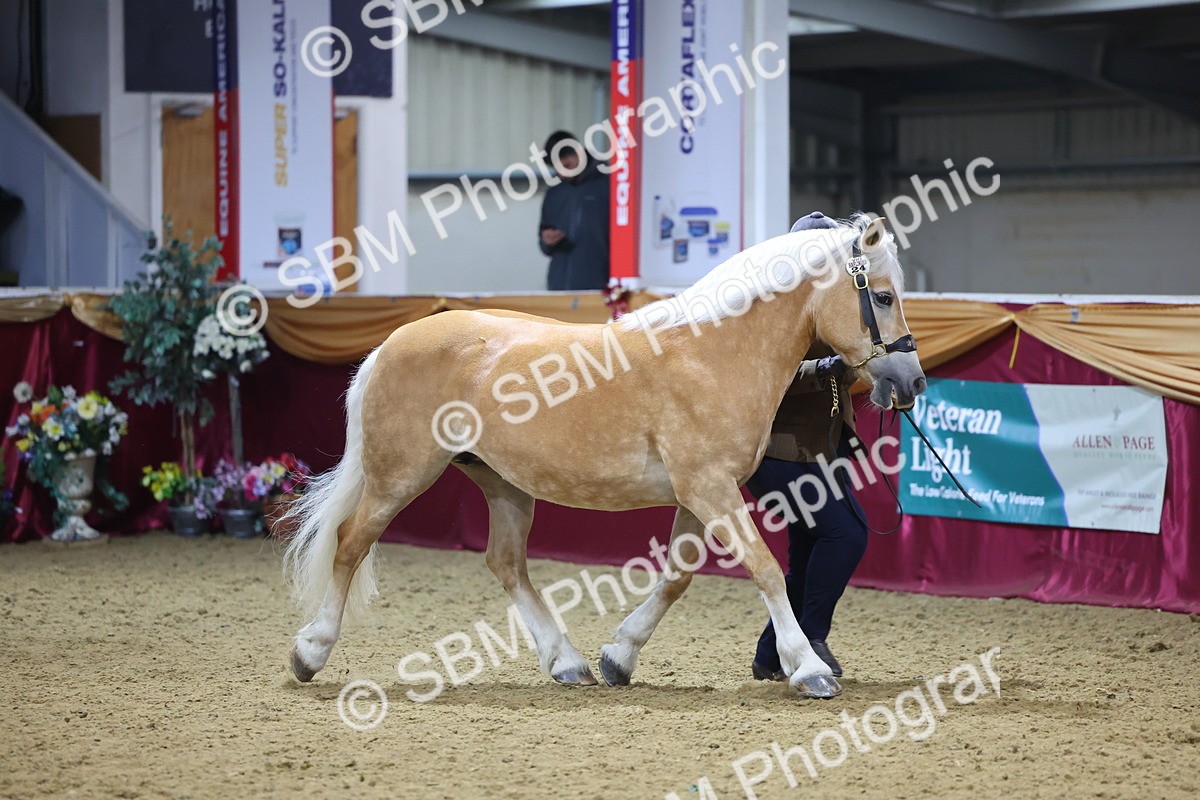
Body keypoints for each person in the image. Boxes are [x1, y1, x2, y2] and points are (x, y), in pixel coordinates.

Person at [748, 211, 868, 682]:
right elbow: (758, 376)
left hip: (820, 450)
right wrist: (823, 370)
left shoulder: (827, 307)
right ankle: (811, 639)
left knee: (810, 551)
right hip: (777, 452)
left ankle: (771, 654)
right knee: (845, 535)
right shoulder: (770, 309)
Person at [537, 130, 610, 291]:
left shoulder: (609, 184)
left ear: (579, 153)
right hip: (559, 288)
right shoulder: (554, 193)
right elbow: (542, 240)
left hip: (600, 288)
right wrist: (547, 241)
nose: (562, 174)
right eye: (557, 169)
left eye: (566, 166)